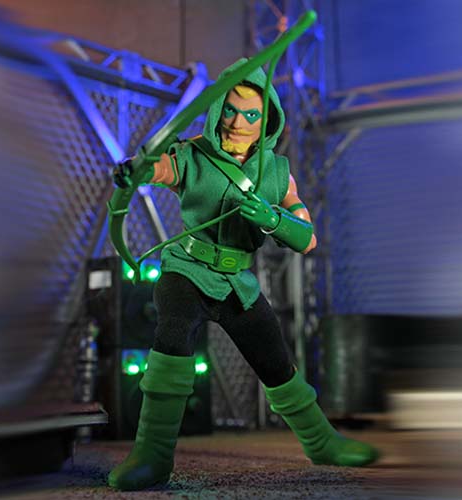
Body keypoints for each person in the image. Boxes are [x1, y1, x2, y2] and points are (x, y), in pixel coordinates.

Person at [109, 59, 379, 491]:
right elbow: (159, 169)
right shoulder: (193, 153)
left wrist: (272, 219)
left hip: (239, 283)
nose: (238, 122)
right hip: (187, 271)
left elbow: (307, 238)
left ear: (267, 118)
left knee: (276, 362)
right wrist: (134, 170)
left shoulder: (278, 173)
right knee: (173, 336)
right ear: (218, 110)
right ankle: (152, 454)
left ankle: (322, 442)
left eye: (251, 113)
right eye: (231, 110)